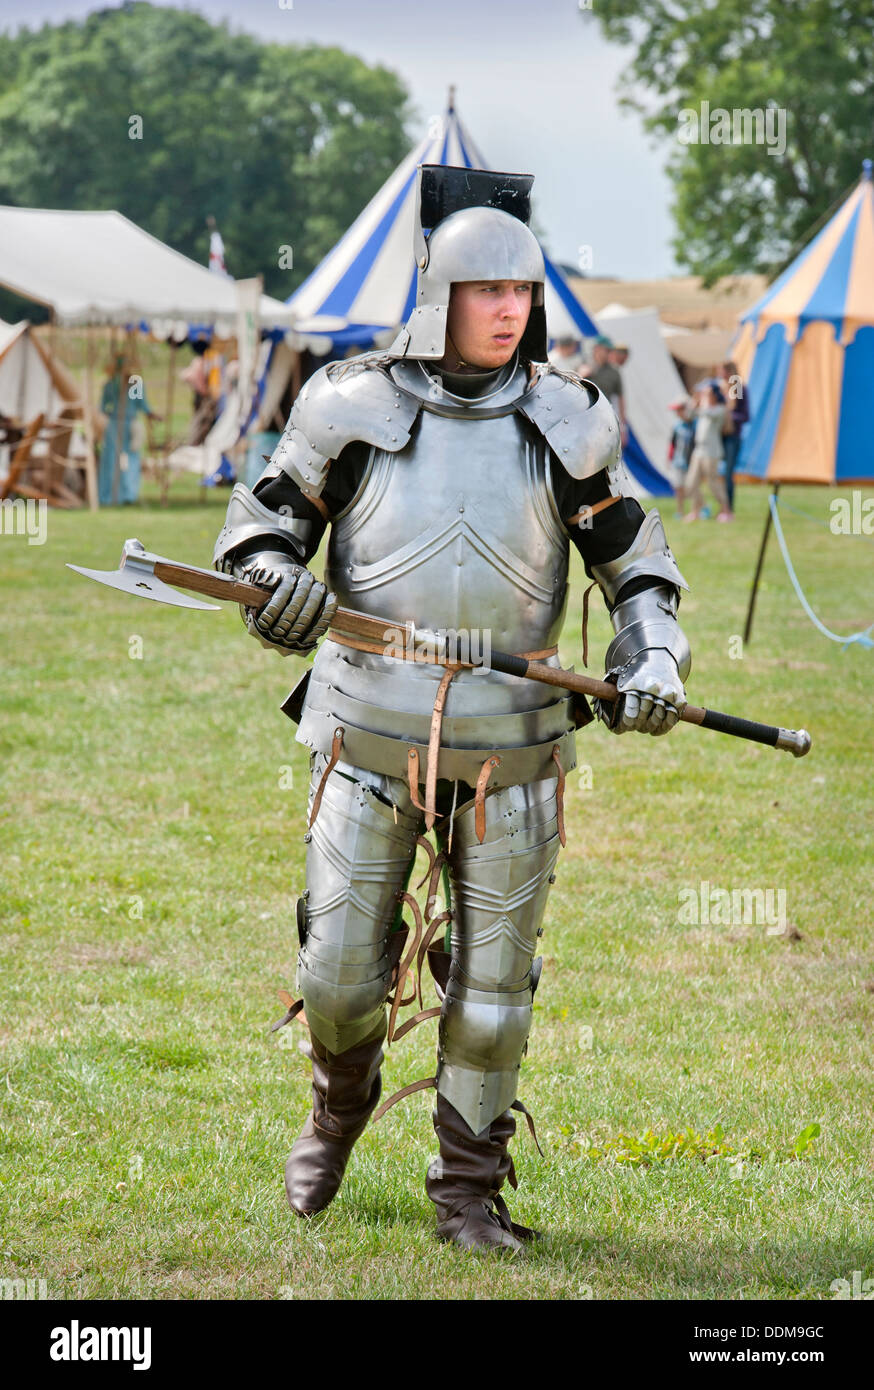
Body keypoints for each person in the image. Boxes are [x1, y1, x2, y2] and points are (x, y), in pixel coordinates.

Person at [212, 164, 692, 1254]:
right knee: (338, 975)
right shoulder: (348, 402)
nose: (511, 310)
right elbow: (264, 524)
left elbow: (636, 566)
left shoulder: (568, 421)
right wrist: (274, 585)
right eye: (490, 290)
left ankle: (467, 1193)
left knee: (492, 993)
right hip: (364, 724)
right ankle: (340, 1101)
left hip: (512, 747)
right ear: (441, 297)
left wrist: (651, 655)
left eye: (524, 292)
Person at [97, 353, 160, 506]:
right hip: (120, 423)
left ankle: (121, 495)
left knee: (120, 459)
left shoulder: (127, 384)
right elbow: (142, 405)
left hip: (122, 423)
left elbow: (105, 408)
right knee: (118, 459)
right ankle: (117, 495)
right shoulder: (115, 384)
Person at [685, 381, 731, 522]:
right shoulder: (704, 408)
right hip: (699, 450)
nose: (705, 396)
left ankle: (726, 511)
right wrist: (695, 401)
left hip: (712, 452)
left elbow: (707, 413)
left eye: (708, 394)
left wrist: (701, 400)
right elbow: (689, 414)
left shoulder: (719, 409)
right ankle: (697, 510)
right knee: (691, 483)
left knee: (712, 482)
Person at [584, 335, 628, 447]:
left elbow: (620, 400)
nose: (609, 354)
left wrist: (622, 428)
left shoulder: (614, 372)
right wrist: (581, 375)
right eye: (606, 350)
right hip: (584, 420)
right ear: (597, 349)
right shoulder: (583, 365)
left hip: (604, 420)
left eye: (610, 351)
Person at [718, 359, 749, 513]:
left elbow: (745, 415)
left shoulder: (738, 388)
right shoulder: (721, 389)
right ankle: (722, 507)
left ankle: (728, 507)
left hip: (732, 437)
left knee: (728, 473)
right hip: (719, 437)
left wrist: (729, 417)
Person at [667, 396, 695, 518]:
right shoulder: (677, 426)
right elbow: (672, 443)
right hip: (678, 461)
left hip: (691, 461)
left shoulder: (694, 424)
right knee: (679, 487)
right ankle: (680, 511)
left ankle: (696, 509)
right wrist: (669, 458)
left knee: (692, 486)